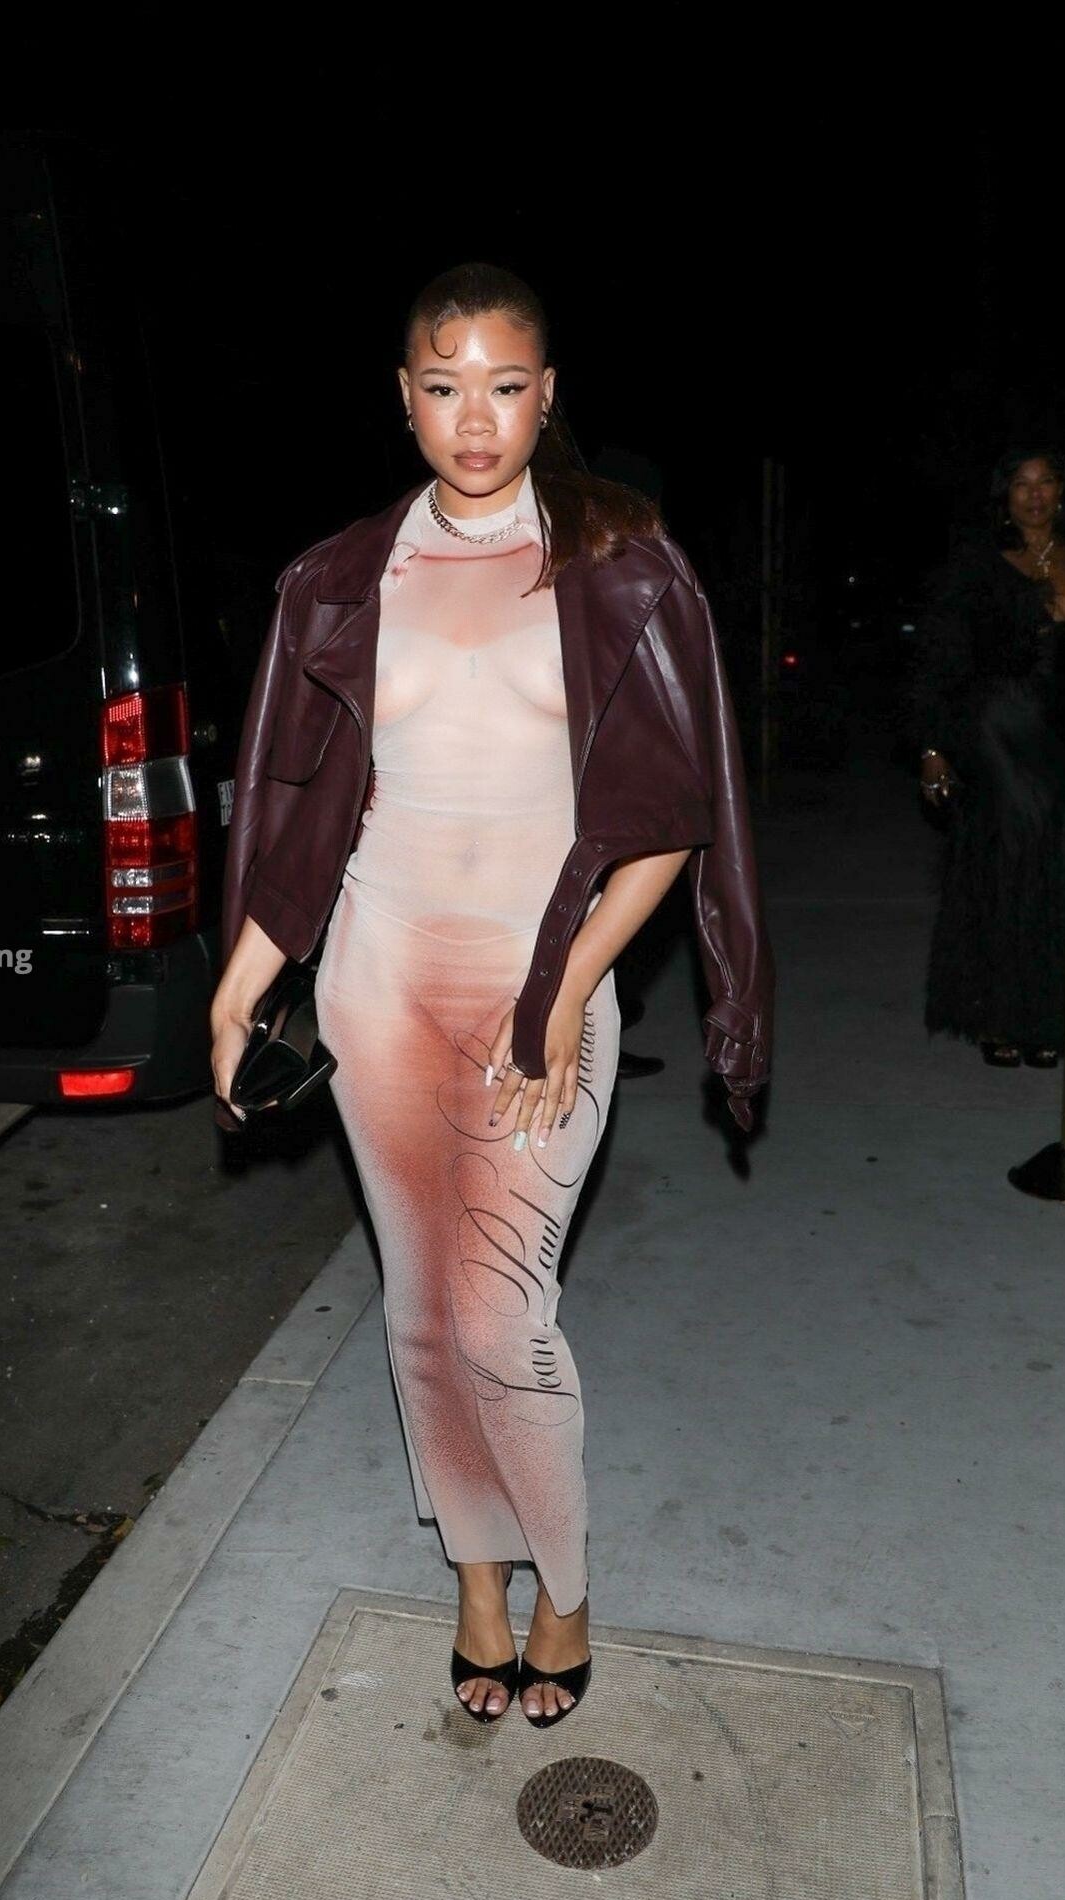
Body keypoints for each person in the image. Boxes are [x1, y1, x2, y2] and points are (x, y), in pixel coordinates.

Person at [211, 263, 773, 1728]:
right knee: (420, 1315)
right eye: (445, 386)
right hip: (378, 986)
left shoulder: (620, 564)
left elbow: (668, 825)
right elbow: (303, 813)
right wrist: (242, 983)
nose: (476, 418)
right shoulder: (340, 579)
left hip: (542, 986)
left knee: (500, 1319)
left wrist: (568, 988)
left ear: (548, 396)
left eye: (506, 386)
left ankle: (564, 1588)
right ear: (402, 400)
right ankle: (475, 1580)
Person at [909, 447, 1065, 1067]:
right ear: (1004, 495)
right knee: (1005, 865)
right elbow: (940, 656)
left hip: (1060, 732)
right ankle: (997, 1016)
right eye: (1022, 484)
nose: (1035, 494)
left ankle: (1043, 1018)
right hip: (994, 727)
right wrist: (933, 747)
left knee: (1056, 870)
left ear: (1062, 490)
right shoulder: (975, 561)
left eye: (1046, 481)